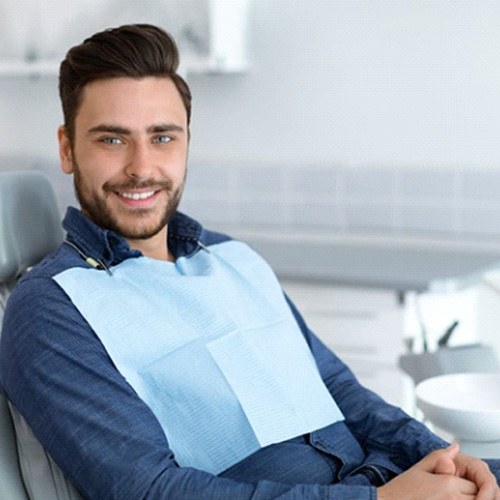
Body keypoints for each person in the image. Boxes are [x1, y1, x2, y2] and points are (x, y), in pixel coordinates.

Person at [0, 23, 499, 500]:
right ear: (67, 148)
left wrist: (443, 457)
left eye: (163, 137)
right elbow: (146, 490)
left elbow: (338, 388)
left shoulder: (232, 258)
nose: (142, 168)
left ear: (187, 143)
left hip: (392, 475)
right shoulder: (51, 308)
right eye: (112, 139)